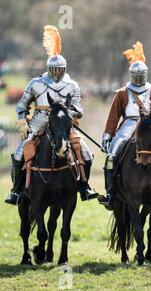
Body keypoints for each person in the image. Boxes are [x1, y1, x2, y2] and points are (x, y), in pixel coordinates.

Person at [5, 25, 97, 205]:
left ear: (64, 68)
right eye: (53, 70)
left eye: (59, 69)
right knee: (18, 155)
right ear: (48, 68)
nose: (56, 73)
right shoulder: (36, 83)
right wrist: (22, 122)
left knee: (86, 154)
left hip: (63, 125)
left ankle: (85, 187)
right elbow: (22, 106)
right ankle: (16, 191)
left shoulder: (72, 85)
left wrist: (65, 114)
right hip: (39, 122)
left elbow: (79, 109)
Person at [98, 41, 151, 210]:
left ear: (146, 75)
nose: (138, 79)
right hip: (128, 124)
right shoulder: (122, 93)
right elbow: (113, 117)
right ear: (130, 76)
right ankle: (111, 193)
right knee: (112, 155)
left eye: (140, 76)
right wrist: (108, 136)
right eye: (135, 76)